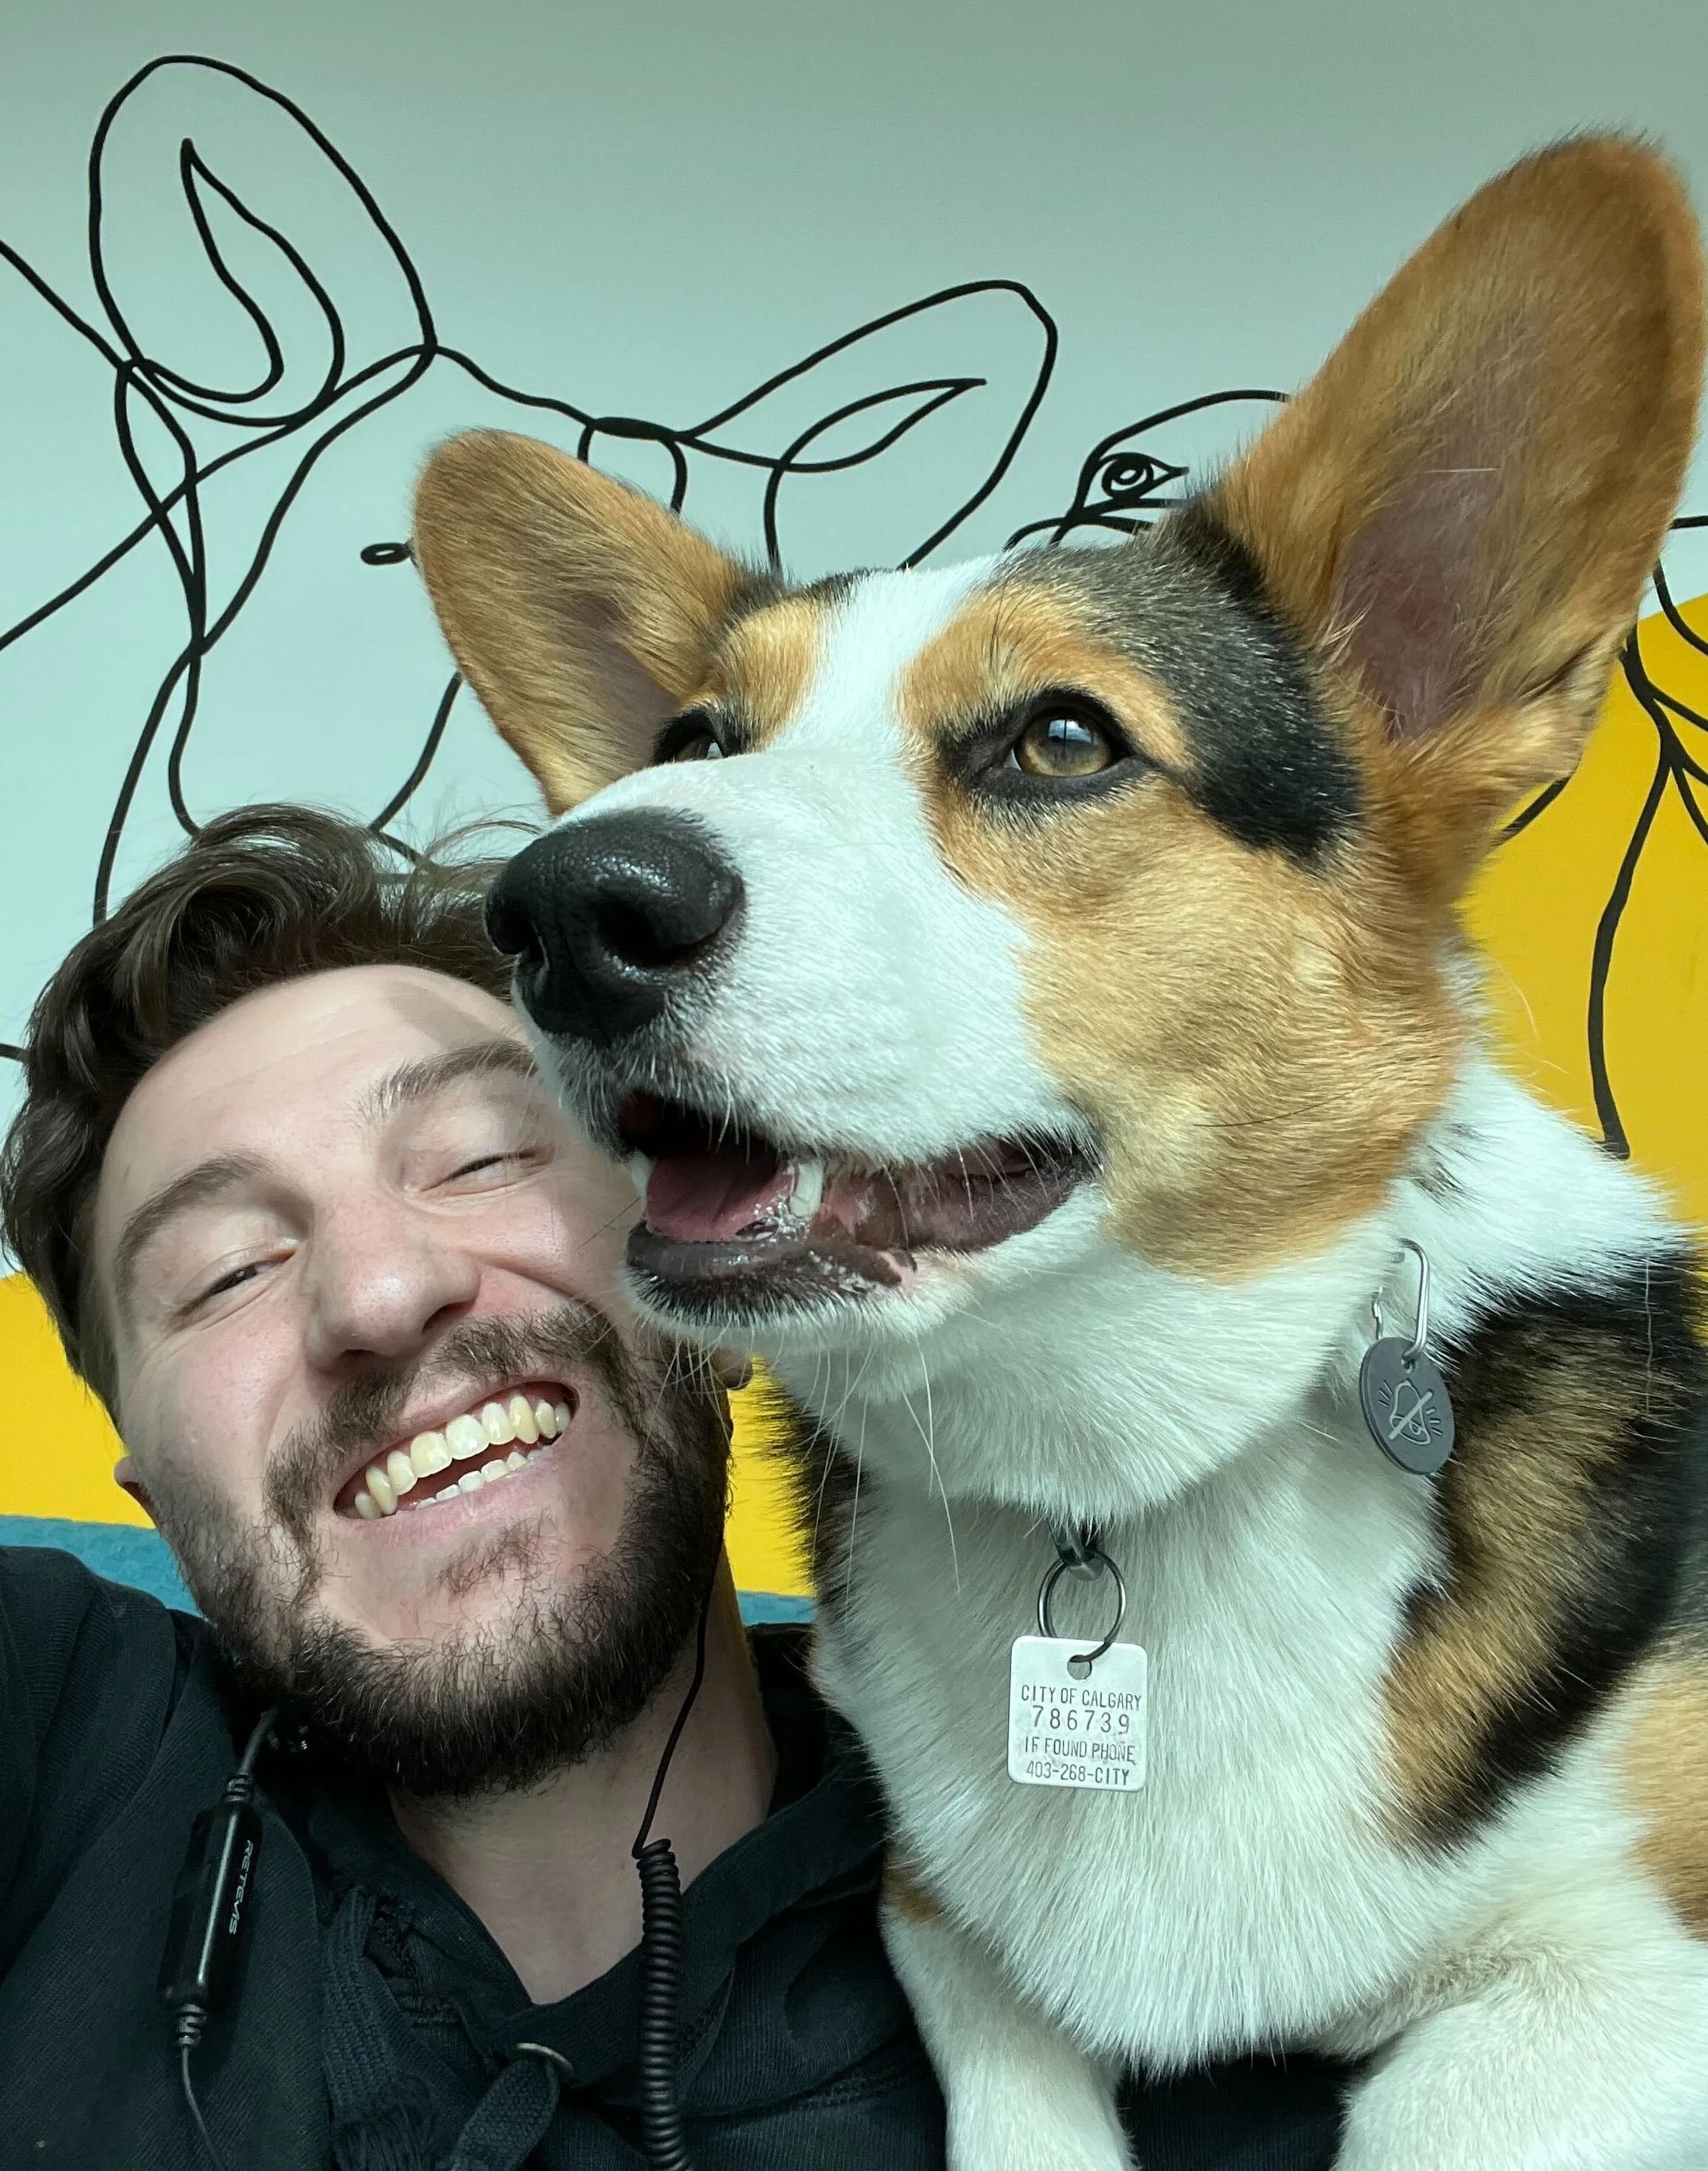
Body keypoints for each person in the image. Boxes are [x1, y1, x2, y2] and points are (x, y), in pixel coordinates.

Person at [0, 807, 1347, 2171]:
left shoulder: (1237, 1976)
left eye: (484, 1156)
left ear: (722, 1295)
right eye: (228, 1270)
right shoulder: (68, 1761)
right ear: (147, 1480)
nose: (384, 1293)